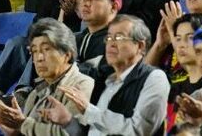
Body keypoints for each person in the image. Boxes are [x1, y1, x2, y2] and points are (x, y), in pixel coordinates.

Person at [42, 14, 171, 135]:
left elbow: (139, 130)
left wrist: (89, 110)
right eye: (108, 37)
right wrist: (67, 122)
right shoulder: (107, 82)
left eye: (119, 37)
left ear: (140, 46)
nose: (111, 44)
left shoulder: (154, 78)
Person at [0, 17, 95, 135]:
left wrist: (23, 124)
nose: (39, 58)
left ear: (67, 54)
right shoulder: (35, 94)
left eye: (46, 49)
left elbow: (71, 133)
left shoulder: (83, 85)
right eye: (34, 51)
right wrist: (16, 133)